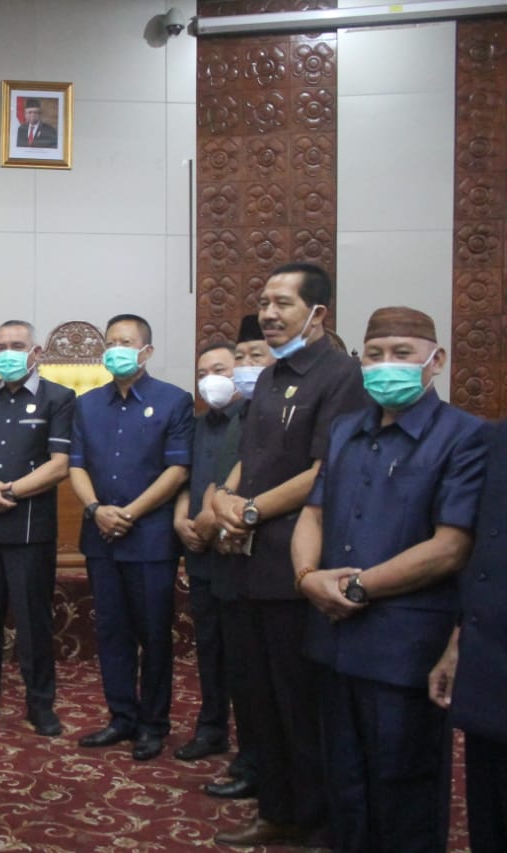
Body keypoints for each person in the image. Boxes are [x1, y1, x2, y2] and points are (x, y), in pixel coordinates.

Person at [290, 306, 486, 852]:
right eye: (374, 355)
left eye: (402, 354)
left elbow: (451, 547)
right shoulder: (345, 429)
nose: (386, 365)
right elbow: (313, 514)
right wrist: (306, 578)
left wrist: (357, 588)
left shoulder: (467, 437)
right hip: (332, 638)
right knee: (344, 782)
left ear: (435, 361)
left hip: (405, 648)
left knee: (404, 788)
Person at [212, 263, 370, 847]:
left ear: (317, 313)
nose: (269, 314)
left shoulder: (341, 376)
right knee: (259, 700)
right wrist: (226, 502)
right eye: (264, 303)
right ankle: (276, 809)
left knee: (301, 702)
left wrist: (251, 511)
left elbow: (326, 470)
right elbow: (250, 458)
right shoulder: (271, 376)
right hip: (248, 563)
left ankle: (316, 821)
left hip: (296, 566)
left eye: (283, 303)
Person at [71, 314, 193, 761]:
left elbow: (178, 469)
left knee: (154, 634)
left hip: (151, 540)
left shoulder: (174, 401)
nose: (116, 350)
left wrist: (131, 513)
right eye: (111, 343)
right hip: (100, 536)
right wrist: (95, 510)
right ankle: (121, 716)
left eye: (126, 342)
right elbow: (76, 466)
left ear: (147, 351)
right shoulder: (86, 404)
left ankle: (153, 724)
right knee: (111, 632)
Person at [0, 320, 75, 737]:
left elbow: (59, 465)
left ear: (36, 352)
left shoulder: (59, 398)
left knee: (32, 621)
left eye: (17, 345)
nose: (7, 353)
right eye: (1, 347)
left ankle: (39, 702)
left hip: (29, 529)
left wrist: (8, 490)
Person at [201, 313, 272, 800]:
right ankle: (249, 759)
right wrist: (213, 513)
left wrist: (229, 513)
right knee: (241, 671)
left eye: (254, 357)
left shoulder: (278, 415)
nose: (245, 366)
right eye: (240, 357)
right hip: (226, 558)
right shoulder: (238, 416)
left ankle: (265, 766)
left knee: (264, 677)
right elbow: (219, 479)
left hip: (264, 559)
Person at [430, 419, 507, 853]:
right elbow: (480, 552)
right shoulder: (494, 439)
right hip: (490, 661)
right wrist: (458, 643)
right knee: (488, 811)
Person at [171, 340, 243, 765]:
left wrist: (213, 519)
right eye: (202, 374)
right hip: (200, 554)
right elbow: (185, 478)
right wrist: (182, 519)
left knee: (243, 655)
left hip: (238, 553)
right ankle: (211, 727)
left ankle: (252, 745)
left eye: (220, 370)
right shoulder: (196, 425)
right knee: (210, 647)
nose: (210, 380)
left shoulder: (253, 422)